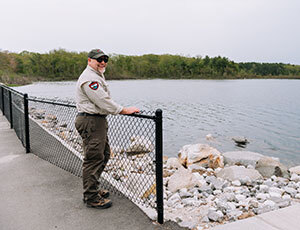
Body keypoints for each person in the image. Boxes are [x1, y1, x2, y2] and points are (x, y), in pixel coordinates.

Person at [75, 49, 139, 209]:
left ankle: (93, 188)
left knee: (103, 154)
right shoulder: (90, 78)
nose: (103, 62)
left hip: (96, 121)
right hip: (91, 121)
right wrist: (123, 110)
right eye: (99, 59)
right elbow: (102, 101)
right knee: (94, 159)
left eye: (105, 59)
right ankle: (91, 197)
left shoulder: (96, 75)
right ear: (90, 60)